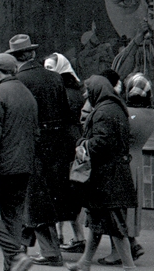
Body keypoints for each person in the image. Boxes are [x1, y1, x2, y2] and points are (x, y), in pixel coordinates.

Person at [7, 34, 73, 268]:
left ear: (15, 58)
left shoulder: (18, 81)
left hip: (31, 146)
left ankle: (49, 251)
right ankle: (21, 247)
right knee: (39, 197)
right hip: (55, 146)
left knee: (33, 198)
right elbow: (66, 115)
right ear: (33, 54)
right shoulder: (55, 78)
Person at [65, 76, 137, 271]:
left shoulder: (104, 111)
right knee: (97, 221)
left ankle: (130, 267)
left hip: (108, 177)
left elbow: (102, 143)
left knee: (114, 224)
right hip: (110, 175)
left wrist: (82, 145)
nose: (86, 95)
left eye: (88, 91)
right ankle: (85, 263)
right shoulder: (113, 107)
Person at [0, 52, 38, 271]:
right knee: (13, 218)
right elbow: (35, 134)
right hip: (23, 168)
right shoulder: (27, 94)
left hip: (0, 169)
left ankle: (16, 255)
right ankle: (13, 265)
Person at [93, 73, 154, 266]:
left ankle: (117, 252)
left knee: (116, 207)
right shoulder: (152, 114)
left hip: (121, 161)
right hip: (136, 160)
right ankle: (132, 244)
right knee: (129, 208)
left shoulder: (125, 112)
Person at [44, 53, 87, 255]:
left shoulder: (65, 92)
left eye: (50, 68)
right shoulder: (73, 89)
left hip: (65, 145)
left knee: (64, 191)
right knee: (65, 191)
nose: (47, 72)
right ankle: (68, 236)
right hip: (70, 143)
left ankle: (75, 237)